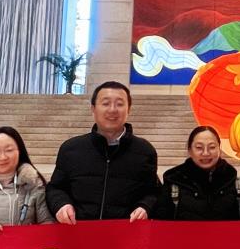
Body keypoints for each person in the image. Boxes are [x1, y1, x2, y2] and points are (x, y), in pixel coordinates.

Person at [46, 81, 159, 223]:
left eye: (119, 104)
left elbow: (153, 192)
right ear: (93, 109)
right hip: (79, 230)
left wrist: (145, 207)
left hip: (126, 231)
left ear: (129, 109)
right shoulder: (71, 149)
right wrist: (61, 204)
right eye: (105, 103)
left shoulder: (144, 151)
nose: (112, 109)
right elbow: (55, 188)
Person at [152, 125, 240, 221]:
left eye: (212, 147)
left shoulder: (235, 184)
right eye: (199, 147)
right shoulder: (174, 183)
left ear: (219, 149)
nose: (206, 153)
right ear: (190, 150)